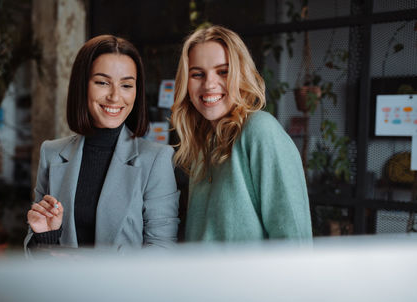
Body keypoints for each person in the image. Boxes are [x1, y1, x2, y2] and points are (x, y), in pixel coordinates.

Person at [24, 35, 180, 255]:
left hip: (125, 289)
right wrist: (45, 237)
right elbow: (36, 252)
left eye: (126, 85)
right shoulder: (51, 153)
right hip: (63, 289)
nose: (115, 96)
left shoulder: (156, 159)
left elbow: (162, 251)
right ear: (82, 85)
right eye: (102, 82)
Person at [171, 25, 312, 242]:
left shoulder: (260, 130)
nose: (209, 84)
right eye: (197, 74)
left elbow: (293, 238)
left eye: (223, 71)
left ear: (241, 75)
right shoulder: (203, 142)